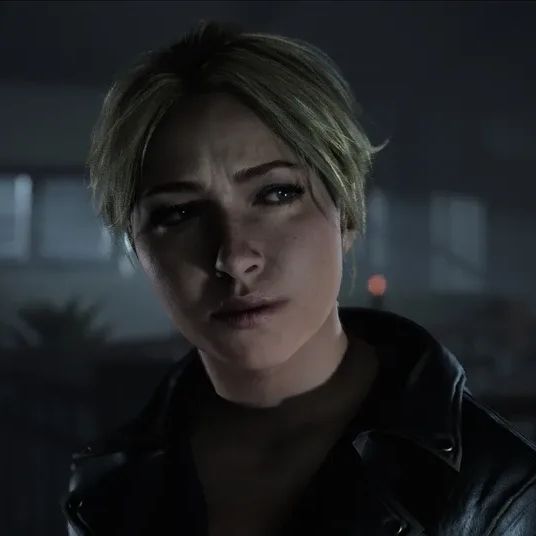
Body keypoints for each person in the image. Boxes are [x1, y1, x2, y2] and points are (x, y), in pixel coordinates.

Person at [63, 20, 536, 535]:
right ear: (137, 248)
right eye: (179, 213)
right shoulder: (107, 486)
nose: (234, 257)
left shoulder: (496, 489)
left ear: (346, 214)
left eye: (277, 194)